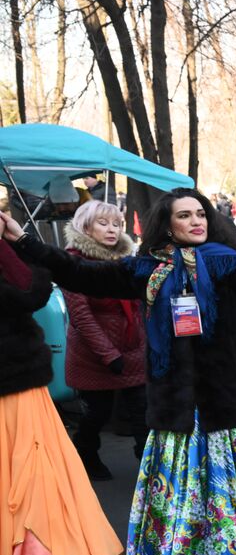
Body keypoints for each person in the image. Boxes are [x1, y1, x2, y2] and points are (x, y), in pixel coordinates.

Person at [2, 191, 236, 555]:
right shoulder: (147, 268)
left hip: (228, 393)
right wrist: (24, 241)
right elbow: (83, 276)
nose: (197, 221)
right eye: (185, 216)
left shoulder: (229, 263)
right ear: (168, 225)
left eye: (201, 214)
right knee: (183, 480)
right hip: (176, 396)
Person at [1, 238, 125, 555]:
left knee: (38, 470)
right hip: (15, 379)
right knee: (39, 470)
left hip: (18, 379)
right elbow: (30, 291)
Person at [62, 200, 147, 481]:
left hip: (134, 348)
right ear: (85, 226)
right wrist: (109, 355)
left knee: (144, 411)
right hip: (93, 356)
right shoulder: (73, 262)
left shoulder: (126, 260)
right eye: (103, 223)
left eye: (116, 224)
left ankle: (148, 463)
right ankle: (86, 452)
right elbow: (81, 316)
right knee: (97, 413)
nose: (112, 230)